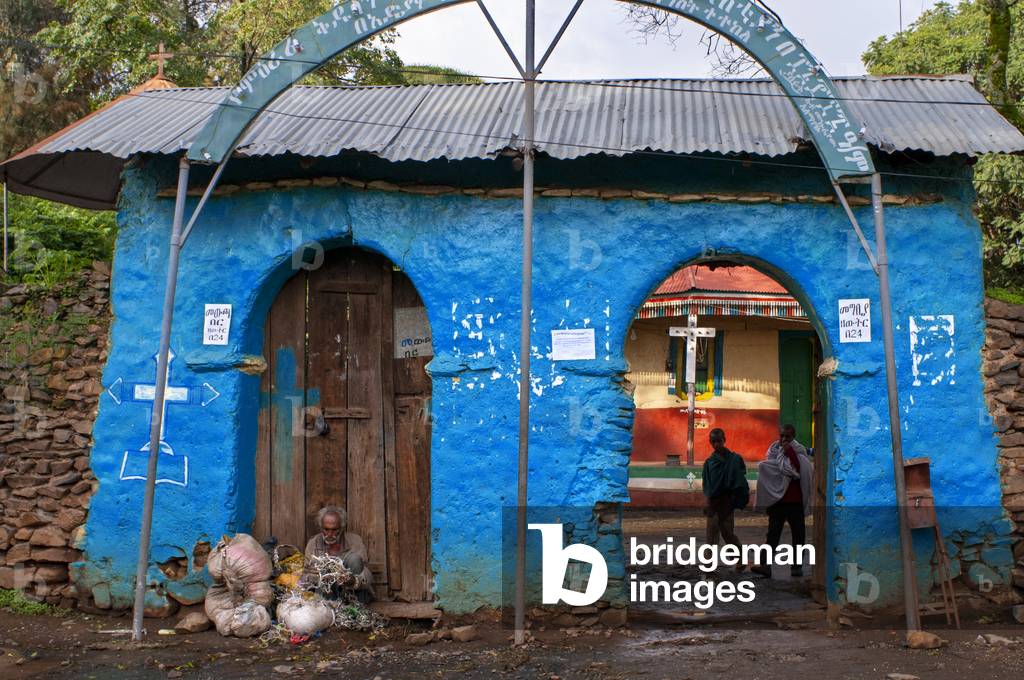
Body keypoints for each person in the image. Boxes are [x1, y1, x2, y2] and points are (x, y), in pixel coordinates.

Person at [753, 424, 813, 578]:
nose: (784, 439)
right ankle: (765, 565)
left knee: (798, 536)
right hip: (777, 502)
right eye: (782, 436)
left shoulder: (799, 452)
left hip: (795, 502)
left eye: (788, 437)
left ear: (793, 437)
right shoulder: (773, 451)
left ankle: (796, 567)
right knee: (772, 535)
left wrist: (790, 452)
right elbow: (769, 471)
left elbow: (801, 469)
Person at [303, 506, 374, 602]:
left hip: (352, 592)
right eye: (326, 529)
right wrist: (315, 575)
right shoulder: (313, 543)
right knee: (324, 568)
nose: (330, 534)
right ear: (321, 527)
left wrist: (354, 580)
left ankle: (357, 608)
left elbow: (367, 573)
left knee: (354, 559)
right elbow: (305, 576)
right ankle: (329, 607)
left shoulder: (354, 541)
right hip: (326, 594)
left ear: (341, 528)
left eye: (334, 530)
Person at [701, 428, 750, 564]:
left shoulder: (735, 459)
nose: (717, 444)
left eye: (719, 441)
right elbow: (708, 485)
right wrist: (707, 502)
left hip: (727, 502)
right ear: (710, 442)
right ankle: (708, 563)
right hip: (713, 503)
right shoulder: (709, 463)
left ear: (724, 440)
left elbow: (740, 479)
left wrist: (736, 498)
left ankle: (740, 559)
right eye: (714, 441)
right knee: (711, 536)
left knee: (728, 534)